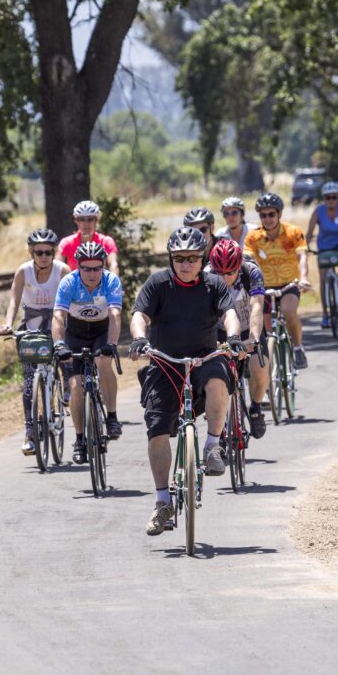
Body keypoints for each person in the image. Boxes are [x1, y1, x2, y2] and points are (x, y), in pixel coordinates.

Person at [129, 227, 244, 536]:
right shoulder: (158, 283)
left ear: (201, 258)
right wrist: (139, 338)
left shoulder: (214, 284)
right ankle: (163, 501)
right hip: (165, 361)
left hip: (204, 357)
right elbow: (139, 314)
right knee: (156, 429)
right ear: (171, 259)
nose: (185, 264)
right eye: (179, 258)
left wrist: (233, 337)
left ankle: (212, 446)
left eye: (192, 258)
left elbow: (230, 312)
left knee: (220, 378)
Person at [0, 229, 71, 456]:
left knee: (65, 359)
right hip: (31, 330)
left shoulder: (63, 271)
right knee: (29, 383)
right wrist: (8, 324)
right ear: (31, 252)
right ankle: (30, 432)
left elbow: (73, 299)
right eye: (38, 252)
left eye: (48, 252)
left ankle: (66, 387)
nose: (44, 256)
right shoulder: (23, 272)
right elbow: (14, 300)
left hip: (58, 326)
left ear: (54, 252)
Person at [51, 241, 124, 463]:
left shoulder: (111, 281)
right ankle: (80, 439)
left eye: (96, 268)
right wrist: (59, 344)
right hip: (76, 332)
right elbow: (58, 317)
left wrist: (111, 343)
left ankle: (111, 417)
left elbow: (114, 314)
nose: (92, 273)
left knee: (103, 363)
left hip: (101, 330)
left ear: (103, 265)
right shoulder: (68, 282)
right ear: (78, 266)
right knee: (76, 386)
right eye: (86, 268)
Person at [205, 238, 268, 439]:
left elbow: (257, 306)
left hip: (248, 327)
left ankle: (256, 407)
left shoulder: (252, 272)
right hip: (220, 332)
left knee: (259, 366)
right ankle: (218, 425)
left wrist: (254, 338)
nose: (225, 278)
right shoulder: (205, 274)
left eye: (230, 273)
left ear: (239, 266)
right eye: (220, 273)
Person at [244, 192, 311, 369]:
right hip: (264, 287)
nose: (268, 219)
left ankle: (297, 347)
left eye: (271, 214)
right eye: (263, 215)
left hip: (289, 284)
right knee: (265, 330)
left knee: (289, 312)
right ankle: (270, 369)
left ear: (279, 214)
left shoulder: (293, 232)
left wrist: (303, 278)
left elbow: (302, 256)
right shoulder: (253, 237)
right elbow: (247, 261)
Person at [306, 181, 338, 328]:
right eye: (328, 197)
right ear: (324, 198)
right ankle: (325, 314)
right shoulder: (318, 211)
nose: (331, 200)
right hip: (324, 247)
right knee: (323, 278)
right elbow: (309, 232)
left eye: (334, 197)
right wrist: (306, 246)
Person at [57, 200, 120, 274]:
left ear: (96, 220)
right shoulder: (67, 242)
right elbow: (57, 266)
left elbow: (113, 265)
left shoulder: (106, 241)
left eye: (90, 219)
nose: (86, 223)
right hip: (74, 285)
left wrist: (114, 283)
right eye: (81, 219)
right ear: (76, 221)